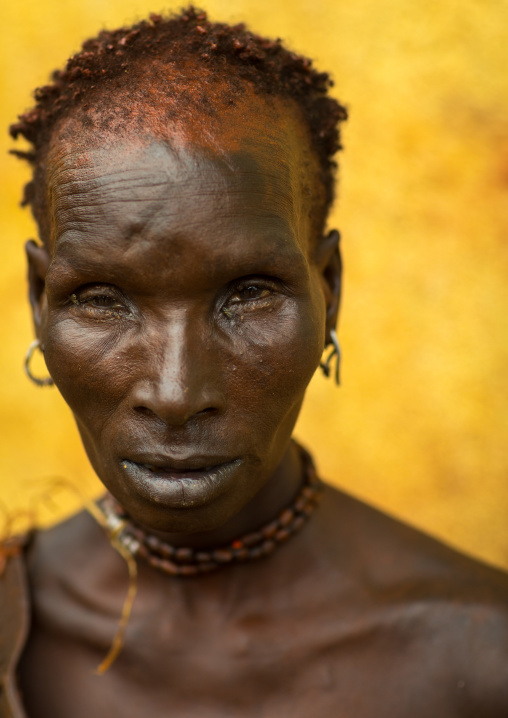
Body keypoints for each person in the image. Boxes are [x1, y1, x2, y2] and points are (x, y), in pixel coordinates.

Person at [1, 7, 508, 717]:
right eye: (103, 299)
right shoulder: (11, 633)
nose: (177, 393)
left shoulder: (481, 659)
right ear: (38, 301)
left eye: (248, 294)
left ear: (327, 289)